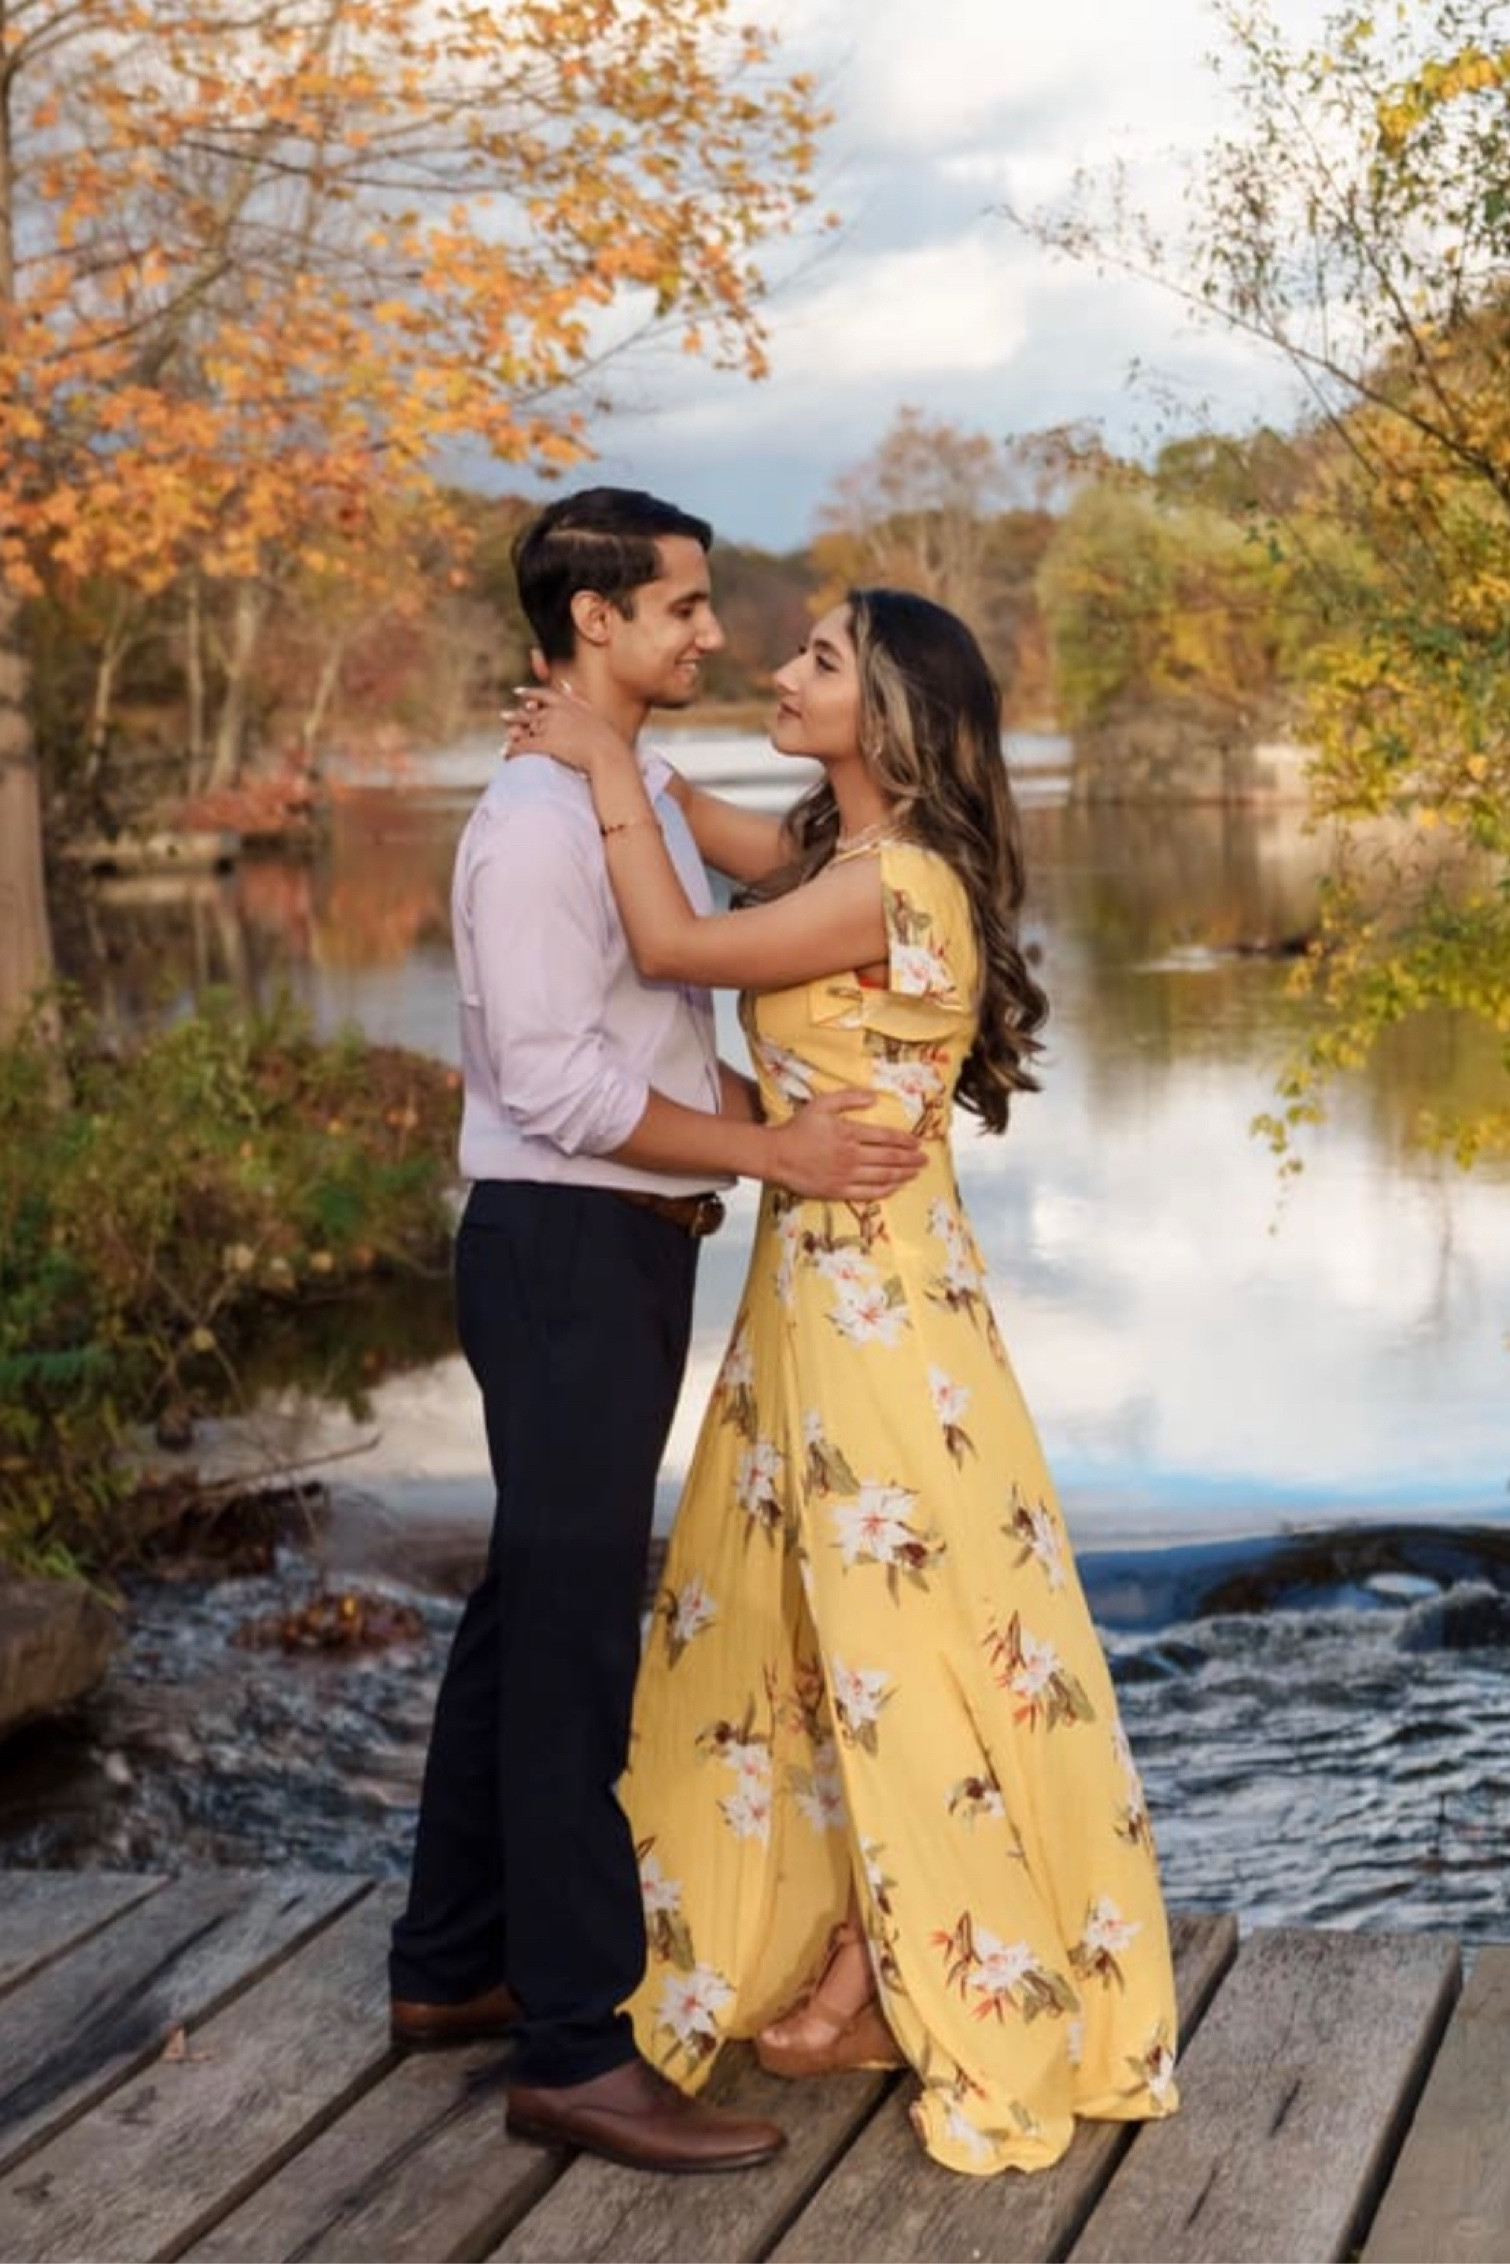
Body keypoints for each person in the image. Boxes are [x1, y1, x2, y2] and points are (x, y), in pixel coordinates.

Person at [508, 586, 1181, 2178]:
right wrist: (640, 764)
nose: (777, 668)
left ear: (882, 714)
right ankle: (863, 1956)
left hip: (878, 1307)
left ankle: (931, 1959)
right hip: (824, 1287)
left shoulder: (891, 884)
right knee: (802, 1619)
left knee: (907, 1626)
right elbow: (725, 847)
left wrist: (606, 761)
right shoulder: (838, 860)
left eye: (816, 659)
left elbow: (673, 941)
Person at [387, 492, 925, 2178]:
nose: (711, 633)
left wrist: (787, 1116)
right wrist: (772, 1149)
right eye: (682, 609)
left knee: (527, 1604)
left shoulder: (617, 809)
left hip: (611, 1253)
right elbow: (554, 1086)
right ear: (593, 625)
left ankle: (450, 1962)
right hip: (561, 1248)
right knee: (569, 1644)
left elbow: (675, 1019)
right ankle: (571, 2046)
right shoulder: (540, 833)